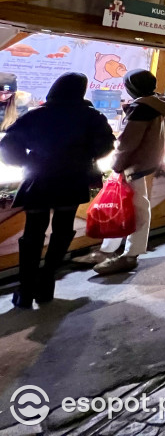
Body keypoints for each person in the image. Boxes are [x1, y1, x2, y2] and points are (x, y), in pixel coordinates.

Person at [1, 73, 115, 307]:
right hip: (73, 177)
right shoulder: (92, 117)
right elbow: (106, 145)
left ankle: (25, 290)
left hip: (39, 177)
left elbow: (8, 145)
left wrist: (26, 162)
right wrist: (85, 156)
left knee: (33, 232)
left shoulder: (36, 115)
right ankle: (47, 283)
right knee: (63, 229)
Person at [91, 69, 165, 275]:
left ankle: (129, 255)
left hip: (133, 165)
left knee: (135, 210)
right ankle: (109, 250)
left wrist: (116, 165)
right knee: (128, 207)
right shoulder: (157, 104)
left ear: (132, 86)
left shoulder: (141, 108)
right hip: (145, 162)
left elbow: (127, 143)